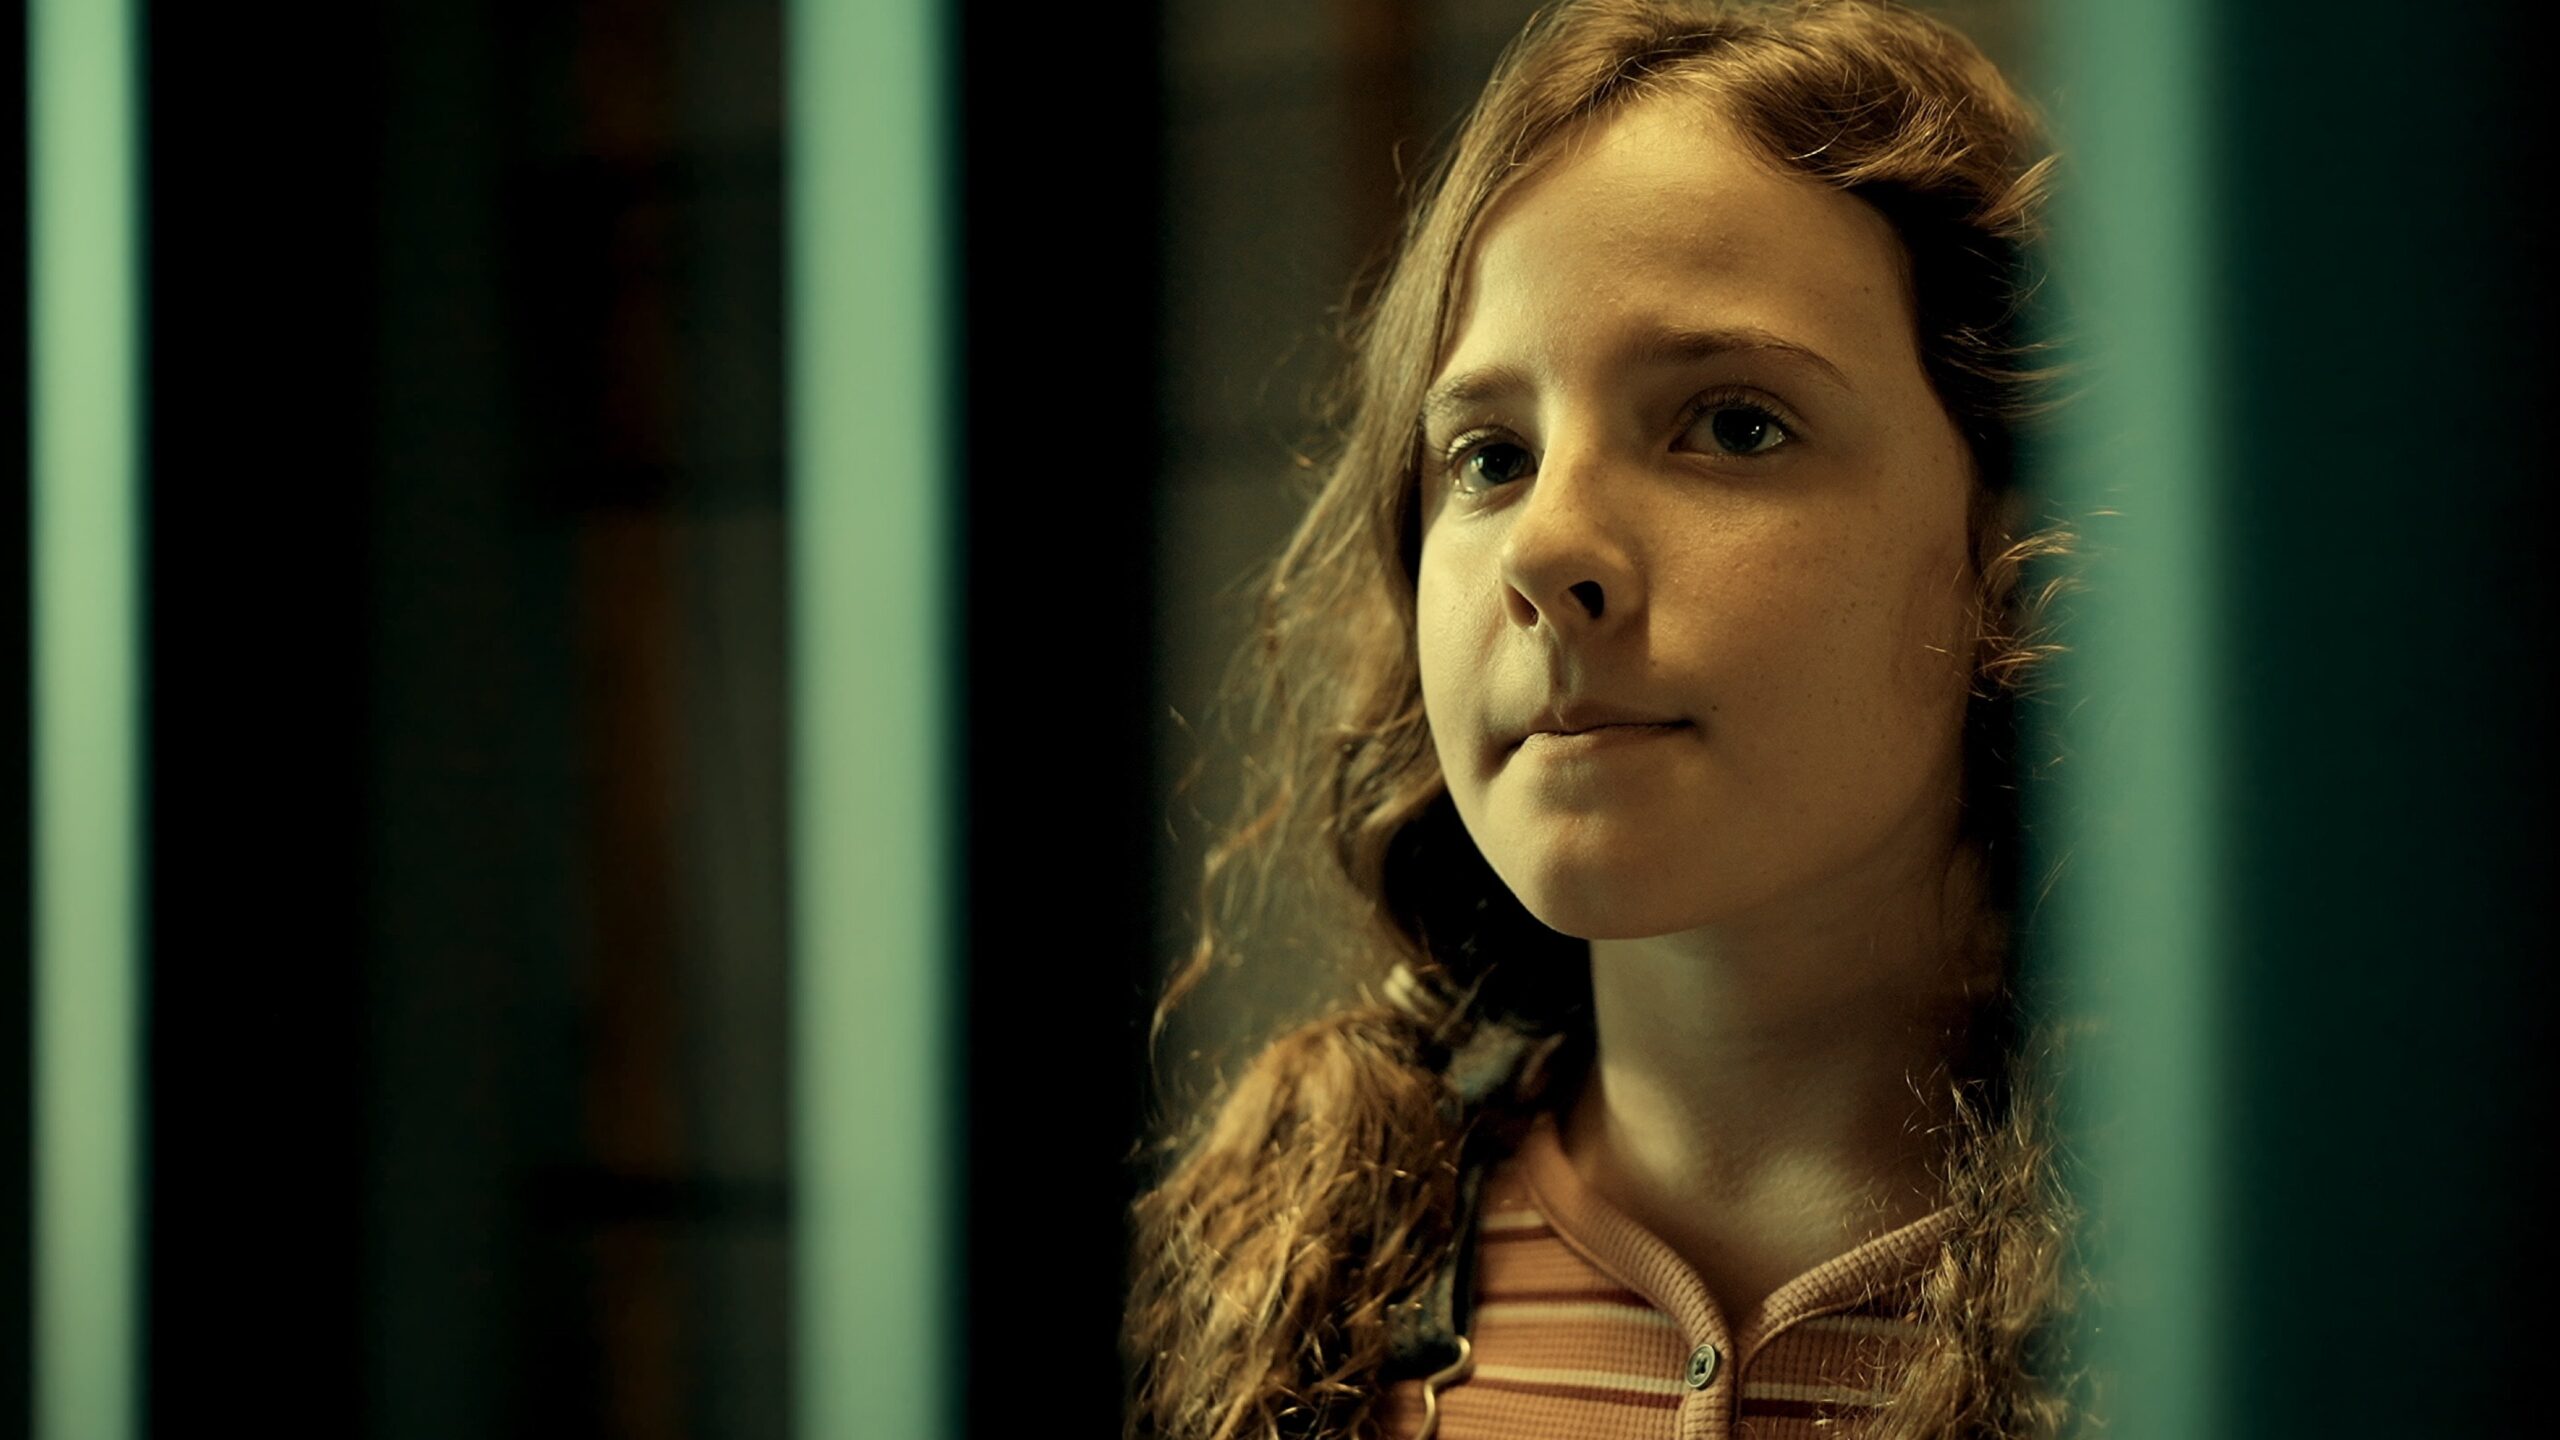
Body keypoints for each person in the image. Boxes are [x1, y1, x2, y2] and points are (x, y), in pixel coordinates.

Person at [1127, 2, 2085, 1436]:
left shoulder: (2263, 1278)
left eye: (1735, 423)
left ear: (2016, 539)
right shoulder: (1266, 1299)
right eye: (1488, 456)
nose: (1544, 547)